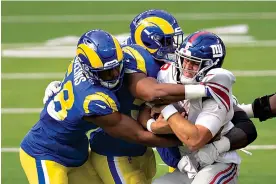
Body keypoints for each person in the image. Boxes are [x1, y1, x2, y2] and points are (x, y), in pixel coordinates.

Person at [19, 29, 182, 184]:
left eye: (116, 68)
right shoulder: (94, 99)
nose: (114, 75)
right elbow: (139, 135)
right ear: (88, 70)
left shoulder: (84, 62)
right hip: (45, 152)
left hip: (77, 151)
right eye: (105, 73)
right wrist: (186, 137)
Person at [143, 31, 242, 184]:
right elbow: (145, 106)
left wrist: (166, 107)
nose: (187, 67)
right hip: (188, 164)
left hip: (218, 162)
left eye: (195, 63)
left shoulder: (217, 89)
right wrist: (153, 125)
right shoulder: (167, 74)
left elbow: (194, 140)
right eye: (185, 60)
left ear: (210, 65)